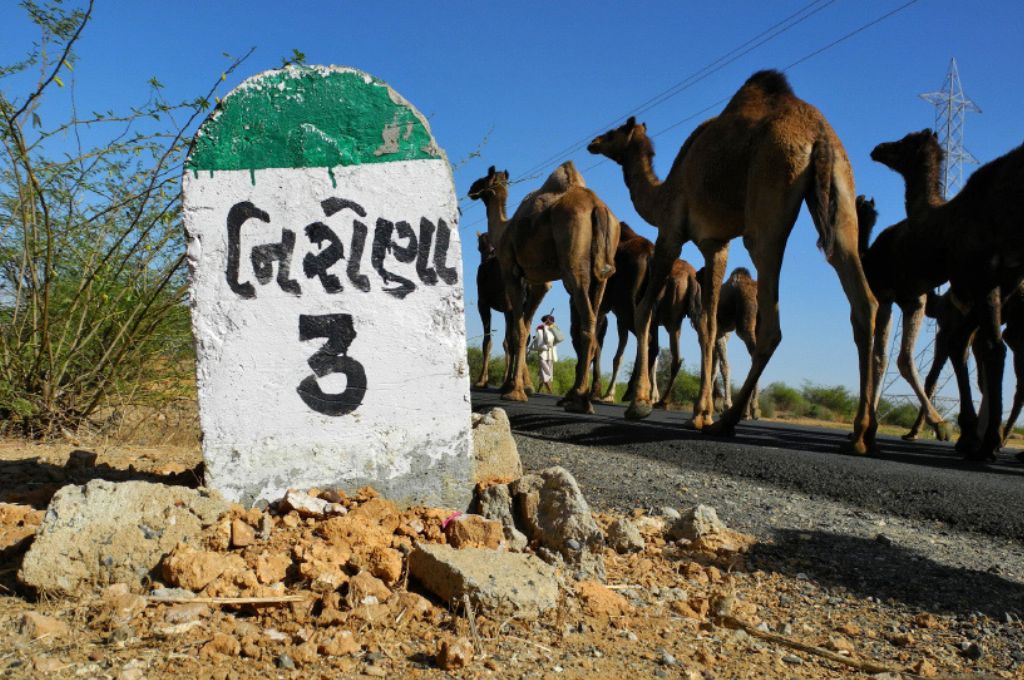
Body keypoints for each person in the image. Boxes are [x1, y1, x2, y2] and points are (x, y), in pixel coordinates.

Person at [530, 314, 560, 394]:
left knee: (546, 371)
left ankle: (541, 390)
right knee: (545, 371)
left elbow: (557, 339)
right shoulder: (540, 328)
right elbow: (535, 338)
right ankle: (549, 390)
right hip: (543, 352)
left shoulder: (554, 329)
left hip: (550, 353)